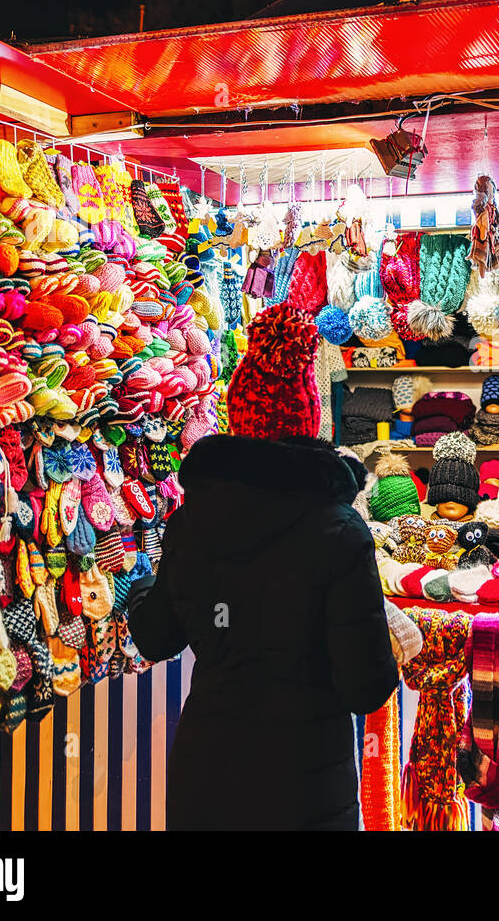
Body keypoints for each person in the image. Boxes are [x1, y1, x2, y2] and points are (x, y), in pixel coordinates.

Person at [128, 305, 398, 830]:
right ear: (309, 418)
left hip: (209, 780)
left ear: (240, 419)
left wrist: (142, 587)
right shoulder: (338, 530)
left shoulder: (194, 520)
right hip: (305, 789)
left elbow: (155, 635)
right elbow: (366, 687)